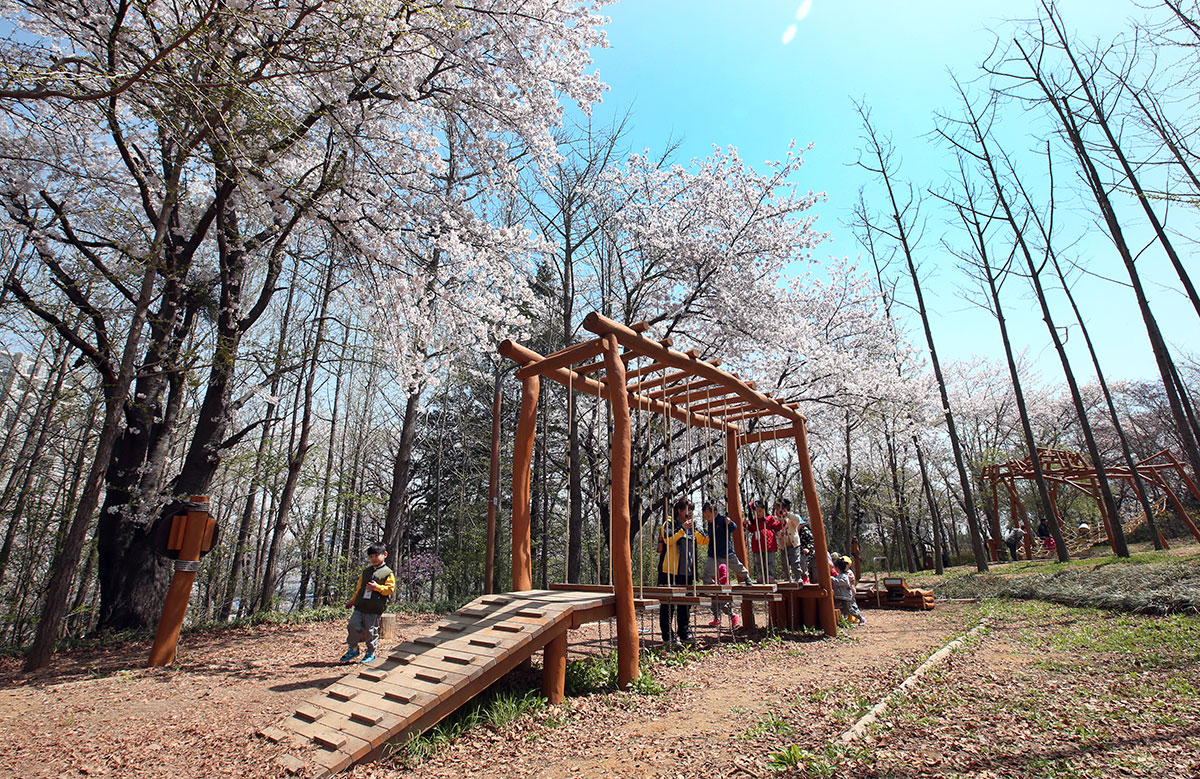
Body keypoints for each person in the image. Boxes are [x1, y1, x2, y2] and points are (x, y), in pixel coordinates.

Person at [341, 542, 396, 663]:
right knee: (352, 626)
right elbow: (359, 588)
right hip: (360, 606)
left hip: (374, 608)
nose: (374, 559)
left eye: (376, 555)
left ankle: (371, 652)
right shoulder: (366, 572)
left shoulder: (388, 573)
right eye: (371, 556)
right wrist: (352, 600)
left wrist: (377, 588)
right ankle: (353, 649)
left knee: (371, 631)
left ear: (385, 555)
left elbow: (390, 589)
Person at [701, 502, 751, 628]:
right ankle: (706, 587)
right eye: (705, 516)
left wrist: (730, 523)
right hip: (714, 554)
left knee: (737, 565)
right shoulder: (710, 523)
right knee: (707, 571)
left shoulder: (723, 520)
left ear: (715, 512)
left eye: (708, 515)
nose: (707, 518)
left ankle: (746, 577)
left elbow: (734, 528)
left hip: (726, 552)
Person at [659, 499, 700, 646]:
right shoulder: (669, 524)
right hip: (669, 571)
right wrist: (682, 529)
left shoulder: (693, 527)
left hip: (686, 572)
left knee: (685, 604)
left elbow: (704, 540)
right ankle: (667, 636)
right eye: (686, 509)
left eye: (691, 510)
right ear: (679, 510)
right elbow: (668, 539)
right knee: (668, 604)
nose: (689, 513)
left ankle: (684, 633)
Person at [745, 501, 781, 583]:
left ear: (764, 510)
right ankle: (762, 576)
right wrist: (746, 525)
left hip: (768, 544)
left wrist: (781, 523)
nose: (758, 513)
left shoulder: (770, 519)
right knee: (759, 562)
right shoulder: (754, 521)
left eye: (760, 511)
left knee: (769, 561)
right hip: (757, 544)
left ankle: (770, 575)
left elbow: (776, 526)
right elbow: (751, 529)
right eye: (756, 512)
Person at [776, 498, 809, 582]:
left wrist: (787, 514)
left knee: (795, 561)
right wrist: (780, 534)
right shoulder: (777, 521)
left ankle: (798, 576)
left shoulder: (792, 518)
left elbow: (797, 520)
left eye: (778, 509)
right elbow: (776, 531)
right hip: (784, 545)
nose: (777, 512)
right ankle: (787, 576)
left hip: (793, 544)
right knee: (785, 562)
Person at [832, 557, 864, 625]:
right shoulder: (839, 575)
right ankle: (841, 620)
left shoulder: (844, 575)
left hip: (845, 597)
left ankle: (861, 618)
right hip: (839, 596)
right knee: (838, 608)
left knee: (849, 609)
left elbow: (841, 582)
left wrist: (832, 579)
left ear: (838, 568)